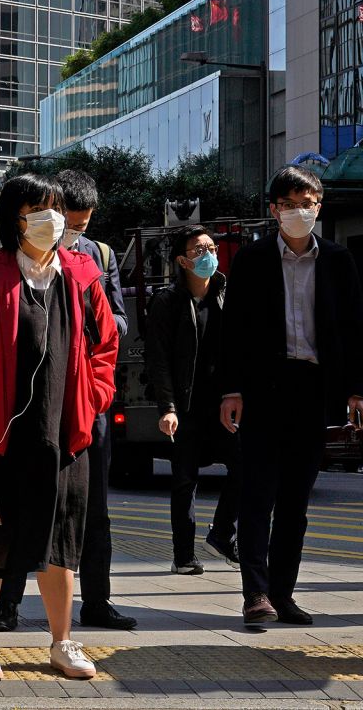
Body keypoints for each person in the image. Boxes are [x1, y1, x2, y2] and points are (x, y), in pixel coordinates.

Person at [0, 173, 118, 683]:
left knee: (63, 542)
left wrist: (94, 399)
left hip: (66, 434)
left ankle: (62, 642)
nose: (52, 220)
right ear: (14, 219)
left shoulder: (83, 273)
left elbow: (106, 346)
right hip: (0, 438)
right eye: (39, 210)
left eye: (56, 209)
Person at [0, 169, 136, 632]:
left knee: (92, 509)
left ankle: (97, 600)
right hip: (32, 405)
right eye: (63, 218)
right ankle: (6, 602)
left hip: (83, 408)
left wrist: (95, 393)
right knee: (21, 503)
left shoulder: (99, 256)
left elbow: (115, 326)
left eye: (79, 224)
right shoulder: (9, 262)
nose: (69, 230)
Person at [220, 165, 363, 626]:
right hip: (264, 389)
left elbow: (354, 329)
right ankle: (255, 594)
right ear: (273, 210)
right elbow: (234, 330)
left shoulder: (338, 260)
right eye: (289, 204)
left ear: (319, 207)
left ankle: (283, 593)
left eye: (307, 203)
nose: (299, 212)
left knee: (297, 502)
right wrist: (232, 389)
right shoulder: (252, 259)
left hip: (313, 389)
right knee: (258, 495)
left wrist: (356, 390)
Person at [144, 226, 239, 576]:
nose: (208, 254)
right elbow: (158, 359)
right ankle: (183, 555)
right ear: (183, 260)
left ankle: (224, 533)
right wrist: (167, 407)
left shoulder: (226, 294)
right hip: (185, 406)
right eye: (200, 250)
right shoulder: (166, 301)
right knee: (185, 479)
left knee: (244, 467)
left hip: (224, 404)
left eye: (212, 247)